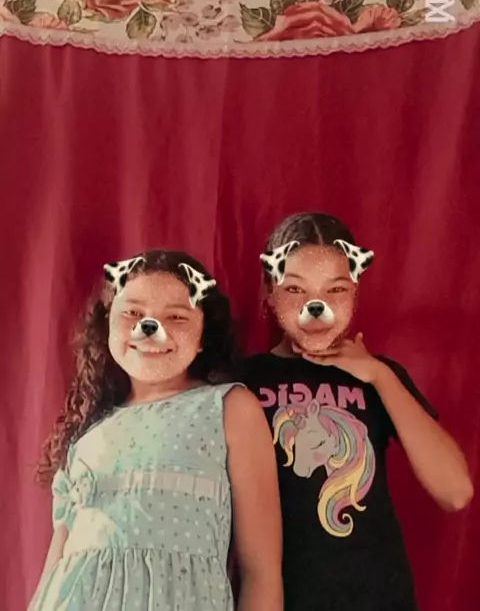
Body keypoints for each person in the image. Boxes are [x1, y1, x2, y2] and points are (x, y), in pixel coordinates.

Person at [240, 212, 473, 611]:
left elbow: (456, 491)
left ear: (355, 291)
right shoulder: (242, 379)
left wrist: (379, 376)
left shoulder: (380, 377)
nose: (316, 306)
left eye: (335, 289)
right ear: (270, 291)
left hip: (378, 597)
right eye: (295, 288)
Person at [29, 249, 283, 611]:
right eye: (133, 313)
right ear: (108, 323)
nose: (150, 328)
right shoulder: (89, 431)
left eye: (176, 316)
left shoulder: (227, 408)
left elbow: (262, 572)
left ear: (203, 336)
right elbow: (56, 567)